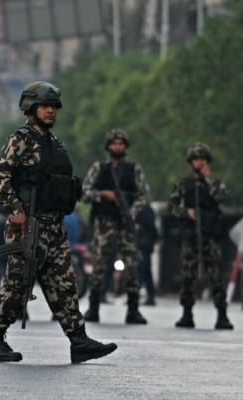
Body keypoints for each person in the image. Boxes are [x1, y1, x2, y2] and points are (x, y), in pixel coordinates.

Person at [0, 81, 117, 363]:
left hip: (54, 226)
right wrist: (15, 208)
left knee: (65, 284)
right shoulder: (21, 139)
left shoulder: (55, 144)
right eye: (45, 106)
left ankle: (79, 341)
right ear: (31, 108)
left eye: (53, 106)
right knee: (18, 284)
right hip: (28, 225)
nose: (51, 111)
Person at [81, 128, 148, 324]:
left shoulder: (134, 170)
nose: (117, 147)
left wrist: (133, 212)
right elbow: (85, 192)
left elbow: (142, 196)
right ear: (108, 146)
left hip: (125, 223)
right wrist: (103, 194)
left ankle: (133, 309)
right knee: (99, 265)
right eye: (114, 143)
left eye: (121, 144)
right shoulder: (98, 168)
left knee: (132, 265)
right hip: (104, 223)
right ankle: (93, 307)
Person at [168, 143, 233, 330]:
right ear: (191, 162)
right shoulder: (183, 184)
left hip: (209, 235)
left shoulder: (214, 183)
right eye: (197, 159)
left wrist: (208, 179)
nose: (200, 162)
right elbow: (172, 206)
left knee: (216, 276)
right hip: (190, 235)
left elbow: (222, 197)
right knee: (187, 275)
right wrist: (185, 212)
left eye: (203, 159)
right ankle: (187, 313)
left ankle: (222, 314)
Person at [136, 203, 159, 306]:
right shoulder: (143, 209)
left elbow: (150, 228)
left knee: (143, 269)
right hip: (143, 244)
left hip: (144, 245)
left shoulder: (145, 210)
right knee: (144, 269)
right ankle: (148, 295)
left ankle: (144, 294)